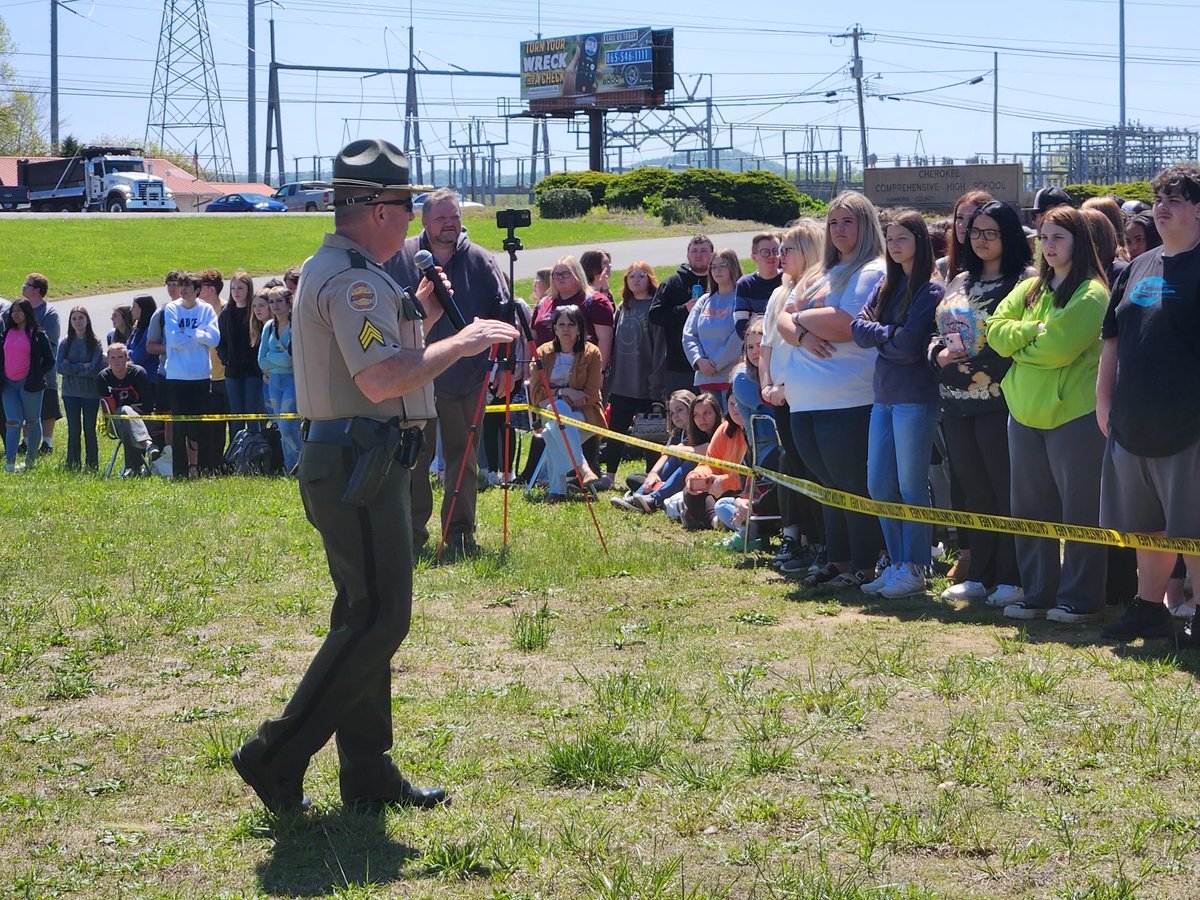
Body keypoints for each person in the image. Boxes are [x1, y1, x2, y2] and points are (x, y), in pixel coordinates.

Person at [231, 139, 518, 816]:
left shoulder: (357, 273)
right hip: (358, 459)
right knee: (379, 619)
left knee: (364, 615)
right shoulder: (354, 280)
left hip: (368, 458)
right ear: (377, 209)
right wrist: (464, 340)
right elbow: (382, 375)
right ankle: (273, 754)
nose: (412, 218)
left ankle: (365, 767)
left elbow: (379, 349)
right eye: (405, 204)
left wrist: (418, 308)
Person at [987, 205, 1108, 623]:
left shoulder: (1092, 293)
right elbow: (995, 333)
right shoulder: (1031, 288)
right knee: (1030, 510)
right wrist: (1029, 333)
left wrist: (1022, 342)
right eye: (1044, 237)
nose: (1049, 245)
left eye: (1058, 237)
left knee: (1081, 511)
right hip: (1022, 413)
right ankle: (1038, 593)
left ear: (1079, 241)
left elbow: (1060, 348)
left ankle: (1081, 598)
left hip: (1074, 415)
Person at [1098, 166, 1200, 643]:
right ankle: (1149, 608)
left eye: (1175, 199)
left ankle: (1196, 610)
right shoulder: (1138, 266)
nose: (1162, 207)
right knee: (1146, 527)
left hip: (1189, 423)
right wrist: (1104, 402)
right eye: (1159, 198)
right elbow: (1112, 340)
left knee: (1193, 527)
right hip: (1133, 421)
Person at [385, 187, 510, 558]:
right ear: (424, 221)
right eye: (441, 218)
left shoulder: (481, 261)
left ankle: (458, 534)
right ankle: (411, 534)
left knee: (463, 457)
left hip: (466, 375)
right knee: (414, 459)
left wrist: (504, 365)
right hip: (414, 374)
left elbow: (503, 315)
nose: (450, 225)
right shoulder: (400, 257)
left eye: (454, 217)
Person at [775, 191, 887, 589]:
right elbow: (781, 325)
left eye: (848, 222)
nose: (839, 230)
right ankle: (838, 561)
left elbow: (846, 324)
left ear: (866, 225)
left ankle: (864, 564)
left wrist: (800, 318)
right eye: (834, 222)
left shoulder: (871, 270)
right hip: (805, 401)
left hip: (848, 399)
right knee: (829, 486)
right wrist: (803, 335)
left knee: (852, 485)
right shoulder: (818, 273)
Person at [929, 200, 1033, 608]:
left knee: (1004, 488)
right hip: (954, 401)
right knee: (973, 489)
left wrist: (977, 358)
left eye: (991, 232)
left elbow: (1022, 335)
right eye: (975, 232)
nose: (982, 240)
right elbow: (936, 332)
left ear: (1008, 235)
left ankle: (1012, 575)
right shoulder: (958, 279)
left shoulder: (1025, 281)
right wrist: (937, 354)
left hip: (1000, 399)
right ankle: (981, 574)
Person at [852, 210, 944, 599]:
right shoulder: (887, 285)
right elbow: (858, 329)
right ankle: (895, 560)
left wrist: (886, 338)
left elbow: (910, 348)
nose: (894, 245)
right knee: (879, 483)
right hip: (884, 397)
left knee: (911, 486)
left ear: (919, 241)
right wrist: (891, 332)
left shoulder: (930, 290)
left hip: (915, 399)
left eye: (902, 238)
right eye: (890, 239)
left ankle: (914, 566)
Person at [760, 220, 827, 575]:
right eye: (779, 249)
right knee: (792, 466)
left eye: (788, 249)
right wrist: (767, 385)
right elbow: (767, 346)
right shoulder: (778, 293)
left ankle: (818, 541)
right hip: (780, 396)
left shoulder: (817, 288)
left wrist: (786, 387)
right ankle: (799, 537)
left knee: (812, 470)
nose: (779, 256)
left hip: (806, 393)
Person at [525, 304, 604, 501]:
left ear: (579, 328)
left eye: (571, 324)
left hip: (585, 417)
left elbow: (591, 395)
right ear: (554, 328)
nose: (566, 329)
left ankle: (557, 491)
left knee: (555, 428)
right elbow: (536, 396)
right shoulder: (543, 353)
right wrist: (566, 392)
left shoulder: (592, 353)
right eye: (561, 324)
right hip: (549, 415)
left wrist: (554, 396)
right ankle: (581, 467)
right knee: (557, 414)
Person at [600, 261, 664, 488]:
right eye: (632, 276)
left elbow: (659, 348)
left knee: (651, 434)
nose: (636, 280)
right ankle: (609, 476)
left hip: (646, 382)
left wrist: (656, 382)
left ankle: (651, 477)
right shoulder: (623, 307)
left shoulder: (655, 308)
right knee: (616, 430)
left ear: (650, 279)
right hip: (622, 382)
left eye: (642, 276)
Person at [163, 272, 219, 479]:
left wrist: (192, 333)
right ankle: (180, 471)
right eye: (181, 286)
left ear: (197, 290)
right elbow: (174, 339)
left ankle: (203, 469)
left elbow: (214, 339)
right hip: (177, 376)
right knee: (179, 428)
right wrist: (199, 335)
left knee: (201, 427)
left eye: (188, 286)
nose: (183, 290)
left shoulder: (206, 309)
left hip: (201, 376)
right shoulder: (171, 308)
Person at [649, 235, 714, 401]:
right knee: (680, 413)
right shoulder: (673, 282)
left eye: (704, 251)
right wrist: (683, 309)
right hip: (679, 365)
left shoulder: (719, 280)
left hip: (714, 364)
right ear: (688, 255)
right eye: (694, 251)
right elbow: (655, 315)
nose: (699, 255)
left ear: (712, 254)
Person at [610, 389, 696, 512]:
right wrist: (653, 473)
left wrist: (678, 449)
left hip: (692, 477)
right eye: (671, 413)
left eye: (680, 410)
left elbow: (704, 450)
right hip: (672, 475)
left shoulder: (700, 429)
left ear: (691, 408)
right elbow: (665, 454)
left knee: (681, 460)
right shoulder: (678, 432)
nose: (675, 416)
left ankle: (653, 498)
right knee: (634, 478)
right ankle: (639, 497)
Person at [683, 247, 744, 403]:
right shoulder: (704, 301)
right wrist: (699, 360)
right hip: (705, 378)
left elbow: (740, 334)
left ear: (733, 266)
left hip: (731, 377)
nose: (717, 270)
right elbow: (689, 335)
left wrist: (716, 363)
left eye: (722, 265)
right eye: (713, 267)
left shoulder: (741, 299)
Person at [1, 299, 52, 473]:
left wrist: (36, 375)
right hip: (8, 385)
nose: (15, 314)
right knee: (13, 422)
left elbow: (49, 360)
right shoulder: (6, 333)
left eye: (19, 310)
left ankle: (30, 461)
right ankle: (10, 463)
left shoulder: (37, 334)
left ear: (27, 313)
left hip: (29, 386)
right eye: (13, 310)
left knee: (32, 421)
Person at [97, 343, 160, 476]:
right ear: (108, 360)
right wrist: (130, 408)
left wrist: (127, 409)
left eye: (120, 357)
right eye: (113, 358)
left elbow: (148, 406)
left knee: (127, 422)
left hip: (144, 420)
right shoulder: (103, 378)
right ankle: (148, 445)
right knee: (124, 411)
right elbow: (108, 409)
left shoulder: (138, 373)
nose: (116, 361)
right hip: (115, 422)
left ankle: (135, 469)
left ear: (127, 359)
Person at [258, 286, 301, 472]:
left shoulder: (295, 326)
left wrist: (274, 358)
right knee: (280, 427)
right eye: (271, 301)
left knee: (288, 425)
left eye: (279, 301)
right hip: (274, 382)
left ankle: (300, 463)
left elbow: (292, 360)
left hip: (292, 380)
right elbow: (261, 361)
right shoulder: (268, 326)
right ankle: (289, 466)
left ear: (288, 302)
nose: (274, 306)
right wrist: (280, 358)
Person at [56, 306, 105, 470]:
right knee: (73, 429)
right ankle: (72, 463)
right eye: (74, 318)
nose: (78, 321)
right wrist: (82, 365)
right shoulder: (65, 342)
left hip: (90, 393)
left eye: (81, 318)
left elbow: (94, 370)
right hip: (70, 393)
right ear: (70, 322)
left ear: (87, 320)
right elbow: (59, 368)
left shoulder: (95, 342)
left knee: (89, 430)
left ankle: (92, 465)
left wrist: (72, 367)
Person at [218, 271, 265, 438]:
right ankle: (236, 453)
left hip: (253, 371)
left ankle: (256, 450)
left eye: (240, 288)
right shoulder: (226, 313)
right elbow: (220, 342)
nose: (236, 292)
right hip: (233, 371)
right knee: (236, 415)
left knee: (252, 414)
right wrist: (226, 359)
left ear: (248, 289)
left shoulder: (255, 311)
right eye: (233, 288)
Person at [22, 273, 61, 456]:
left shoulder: (49, 313)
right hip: (21, 368)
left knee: (47, 405)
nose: (23, 286)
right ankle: (27, 441)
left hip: (44, 369)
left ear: (36, 290)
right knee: (26, 406)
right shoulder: (20, 310)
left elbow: (50, 343)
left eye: (27, 284)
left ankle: (47, 443)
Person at [733, 231, 783, 338]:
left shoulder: (789, 279)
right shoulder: (745, 284)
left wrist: (757, 319)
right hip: (757, 347)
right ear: (754, 257)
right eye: (765, 252)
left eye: (776, 251)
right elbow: (741, 328)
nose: (771, 256)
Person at [936, 191, 992, 282]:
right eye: (960, 217)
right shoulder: (942, 267)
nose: (963, 225)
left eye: (971, 218)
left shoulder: (996, 270)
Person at [127, 295, 160, 384]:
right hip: (138, 378)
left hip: (149, 380)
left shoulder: (150, 330)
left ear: (142, 309)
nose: (131, 310)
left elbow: (138, 357)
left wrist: (127, 353)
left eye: (134, 306)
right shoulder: (137, 328)